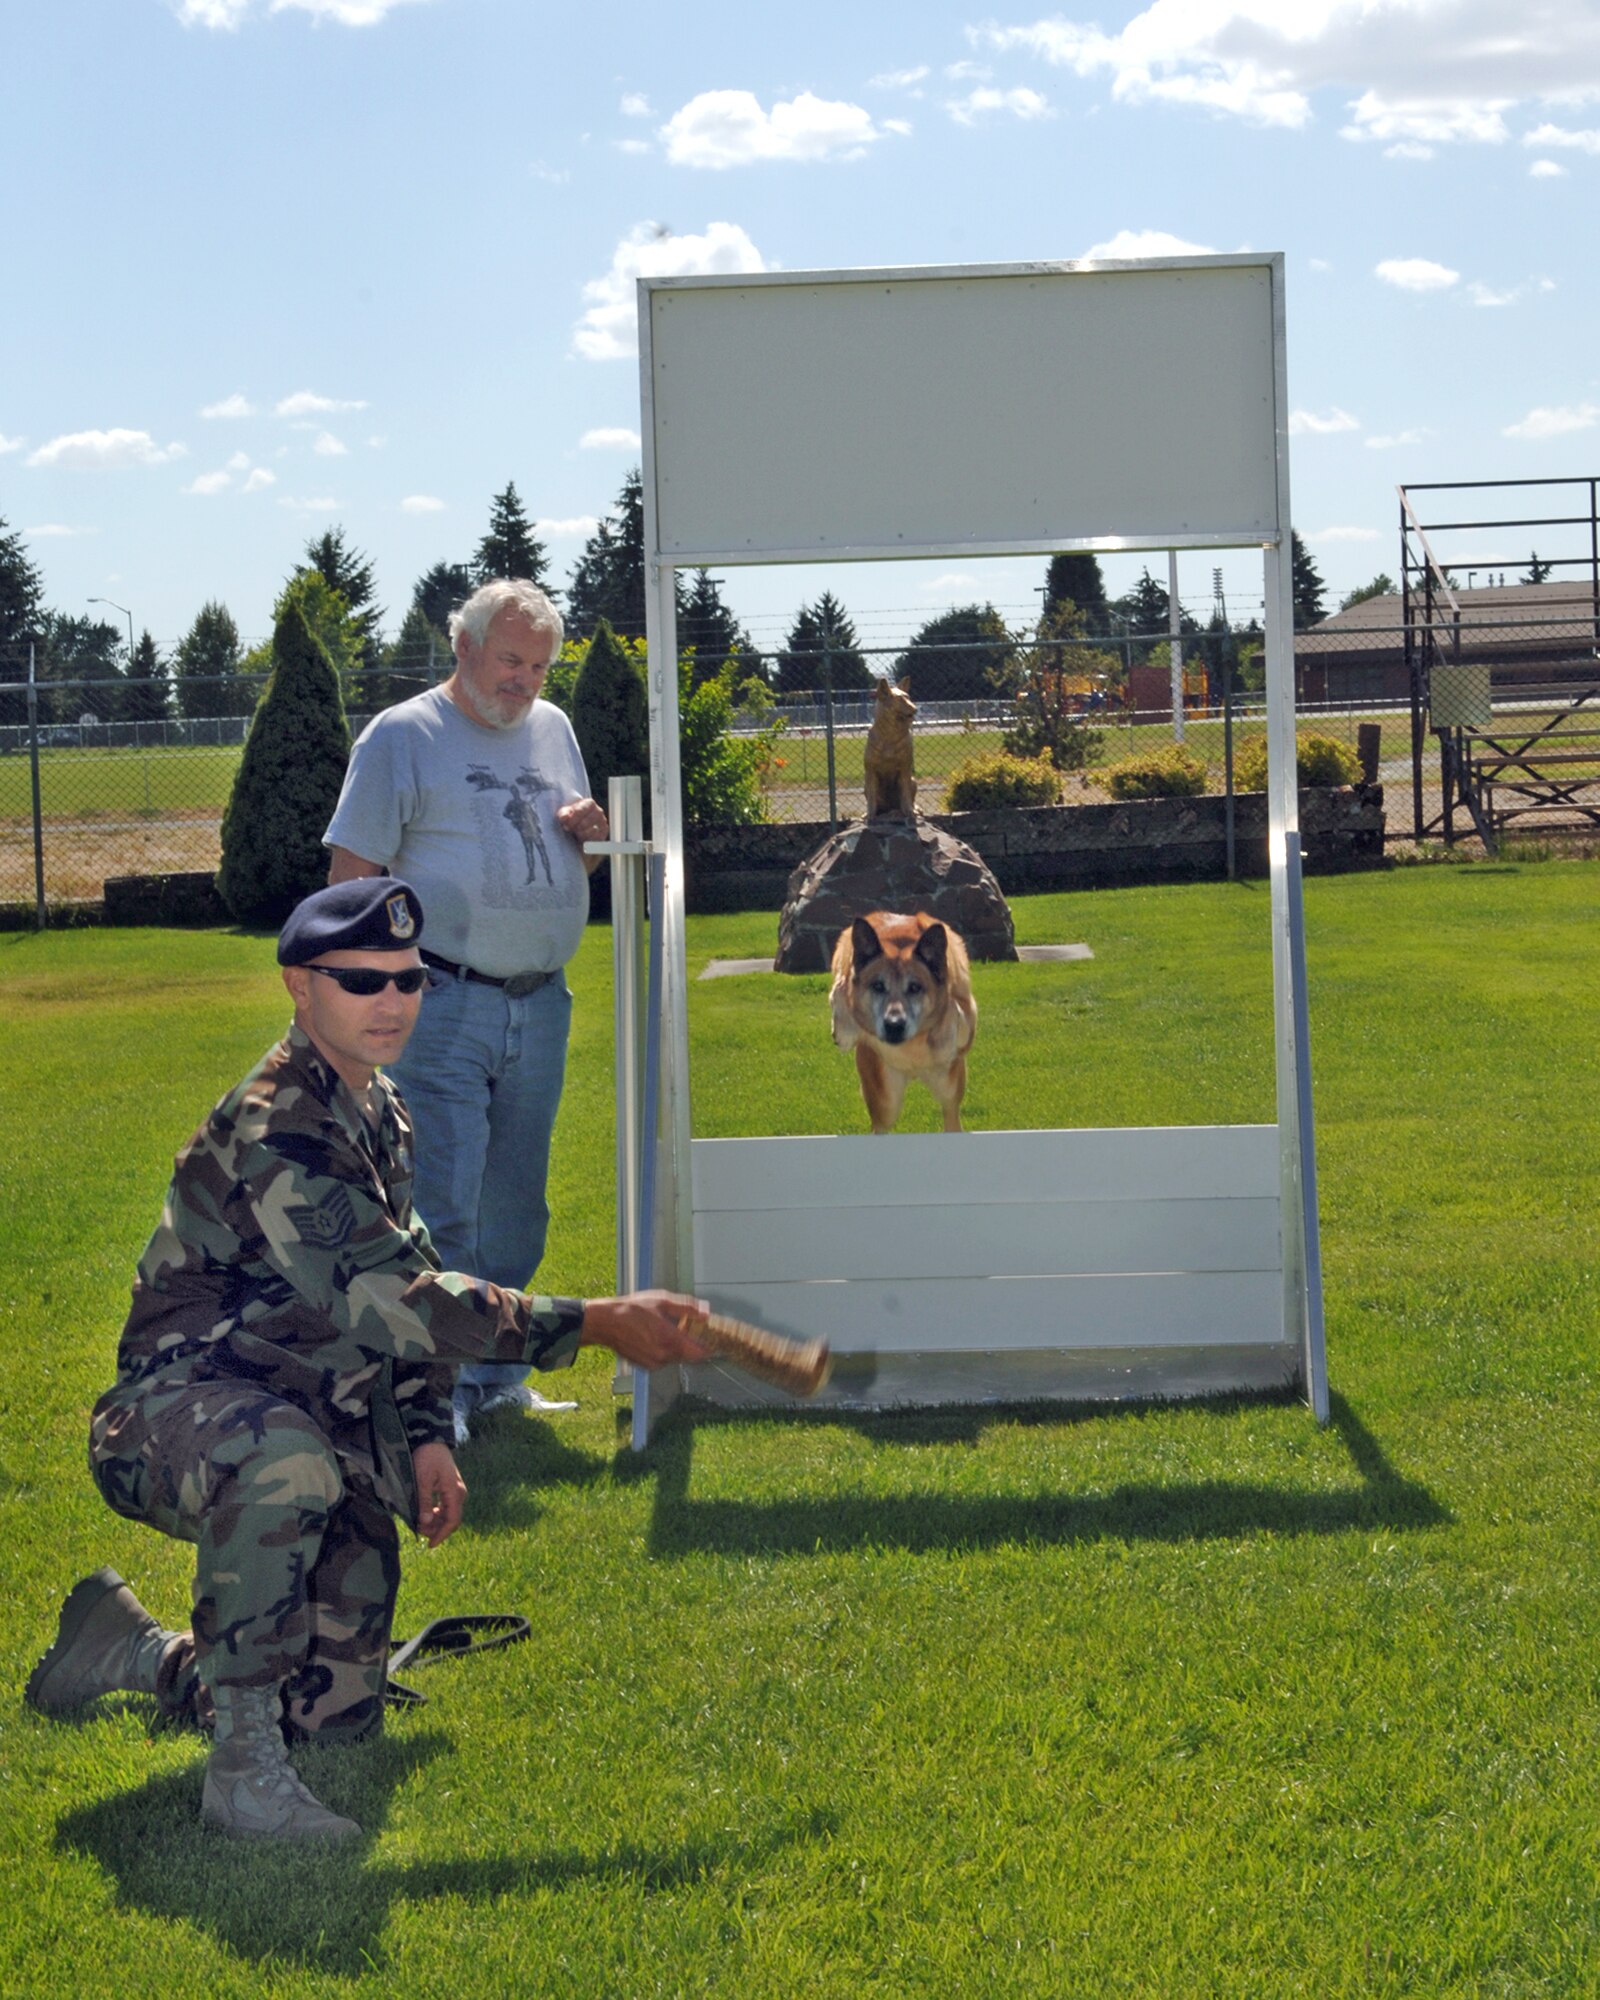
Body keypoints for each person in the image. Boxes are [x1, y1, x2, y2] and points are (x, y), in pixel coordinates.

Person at [26, 879, 707, 1843]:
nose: (391, 1001)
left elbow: (413, 1277)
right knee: (285, 1466)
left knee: (337, 1713)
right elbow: (407, 1303)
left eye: (409, 979)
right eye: (361, 980)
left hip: (295, 1412)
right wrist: (594, 1322)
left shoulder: (377, 1109)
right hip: (174, 1412)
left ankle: (133, 1649)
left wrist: (427, 1435)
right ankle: (241, 1779)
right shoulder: (281, 1125)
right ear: (301, 987)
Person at [322, 578, 608, 1445]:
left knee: (519, 1202)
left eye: (540, 665)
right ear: (465, 649)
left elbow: (572, 864)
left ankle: (497, 1376)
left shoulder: (553, 729)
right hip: (439, 999)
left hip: (541, 1001)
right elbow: (349, 878)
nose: (525, 680)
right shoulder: (402, 737)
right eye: (511, 660)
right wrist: (378, 994)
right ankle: (430, 1393)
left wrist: (589, 838)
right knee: (445, 1198)